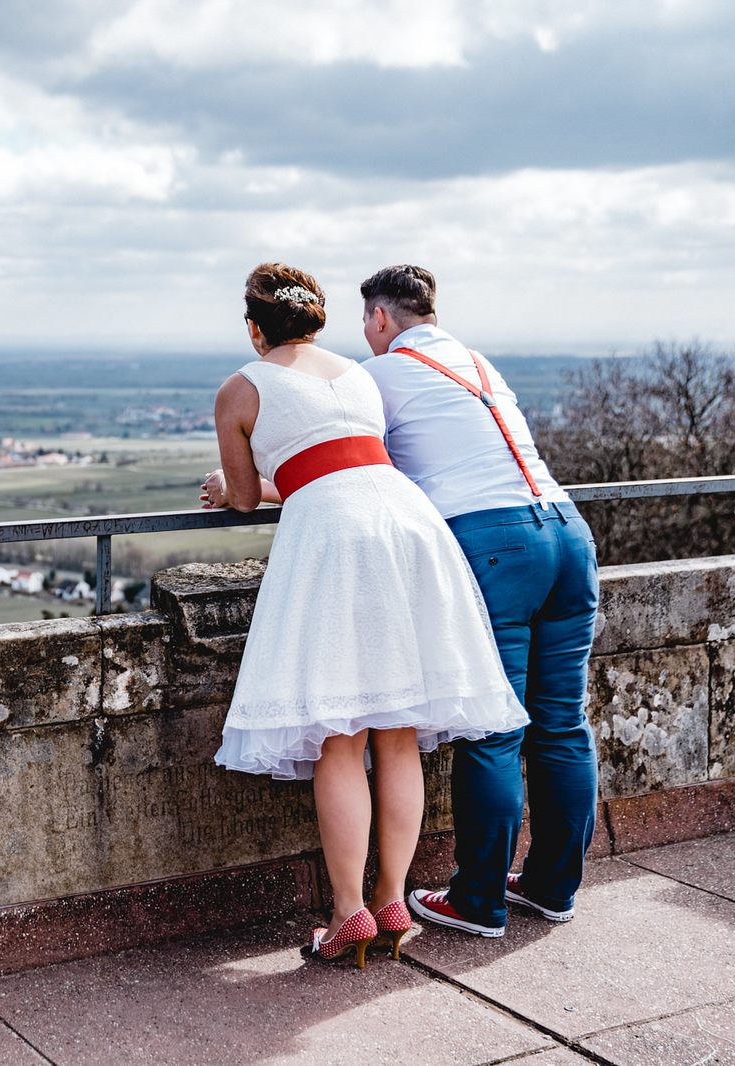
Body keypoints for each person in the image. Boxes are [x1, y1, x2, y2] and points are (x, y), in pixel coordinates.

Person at [200, 263, 528, 966]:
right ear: (316, 318)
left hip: (335, 536)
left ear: (256, 328)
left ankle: (348, 910)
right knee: (398, 729)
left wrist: (226, 484)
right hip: (406, 524)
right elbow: (343, 455)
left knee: (339, 735)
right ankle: (392, 899)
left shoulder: (242, 386)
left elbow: (250, 498)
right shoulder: (359, 375)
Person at [358, 264, 600, 937]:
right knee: (560, 723)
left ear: (380, 318)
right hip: (567, 533)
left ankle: (478, 900)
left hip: (493, 543)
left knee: (494, 726)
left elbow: (349, 463)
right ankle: (553, 888)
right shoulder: (477, 361)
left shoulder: (379, 375)